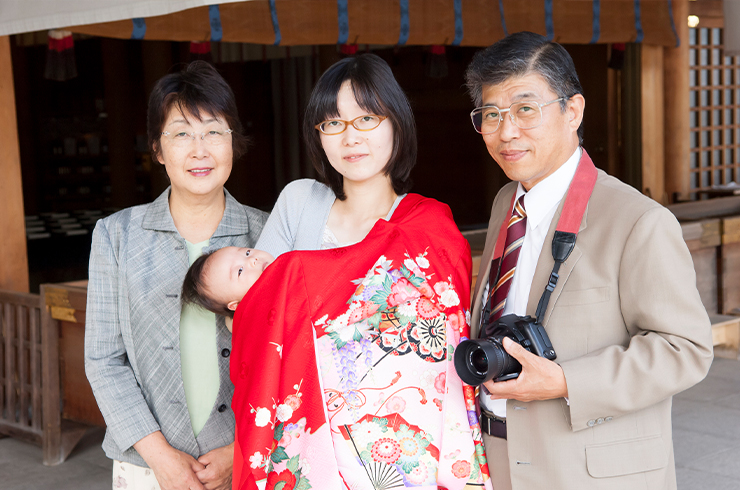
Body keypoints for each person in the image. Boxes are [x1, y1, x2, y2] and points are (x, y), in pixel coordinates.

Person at [222, 53, 491, 489]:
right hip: (309, 442)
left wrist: (304, 289)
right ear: (320, 136)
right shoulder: (299, 202)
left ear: (396, 124)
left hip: (399, 450)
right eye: (333, 123)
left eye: (366, 119)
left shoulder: (428, 225)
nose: (351, 138)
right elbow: (255, 312)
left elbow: (442, 341)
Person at [463, 31, 714, 490]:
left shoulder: (638, 220)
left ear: (572, 110)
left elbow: (686, 349)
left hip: (592, 471)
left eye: (525, 109)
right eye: (491, 115)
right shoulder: (506, 201)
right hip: (497, 457)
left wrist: (565, 381)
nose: (506, 132)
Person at [85, 61, 267, 490]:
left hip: (252, 457)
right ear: (157, 148)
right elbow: (103, 359)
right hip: (147, 464)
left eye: (214, 131)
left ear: (234, 142)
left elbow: (295, 355)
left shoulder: (268, 235)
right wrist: (160, 457)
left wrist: (239, 448)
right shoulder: (116, 235)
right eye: (181, 133)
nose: (199, 149)